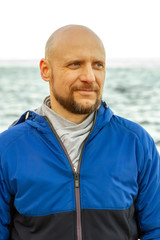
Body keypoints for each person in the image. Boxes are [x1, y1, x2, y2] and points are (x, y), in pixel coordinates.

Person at [0, 25, 160, 240]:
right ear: (46, 70)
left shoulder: (136, 142)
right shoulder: (8, 148)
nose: (90, 77)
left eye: (98, 65)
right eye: (75, 64)